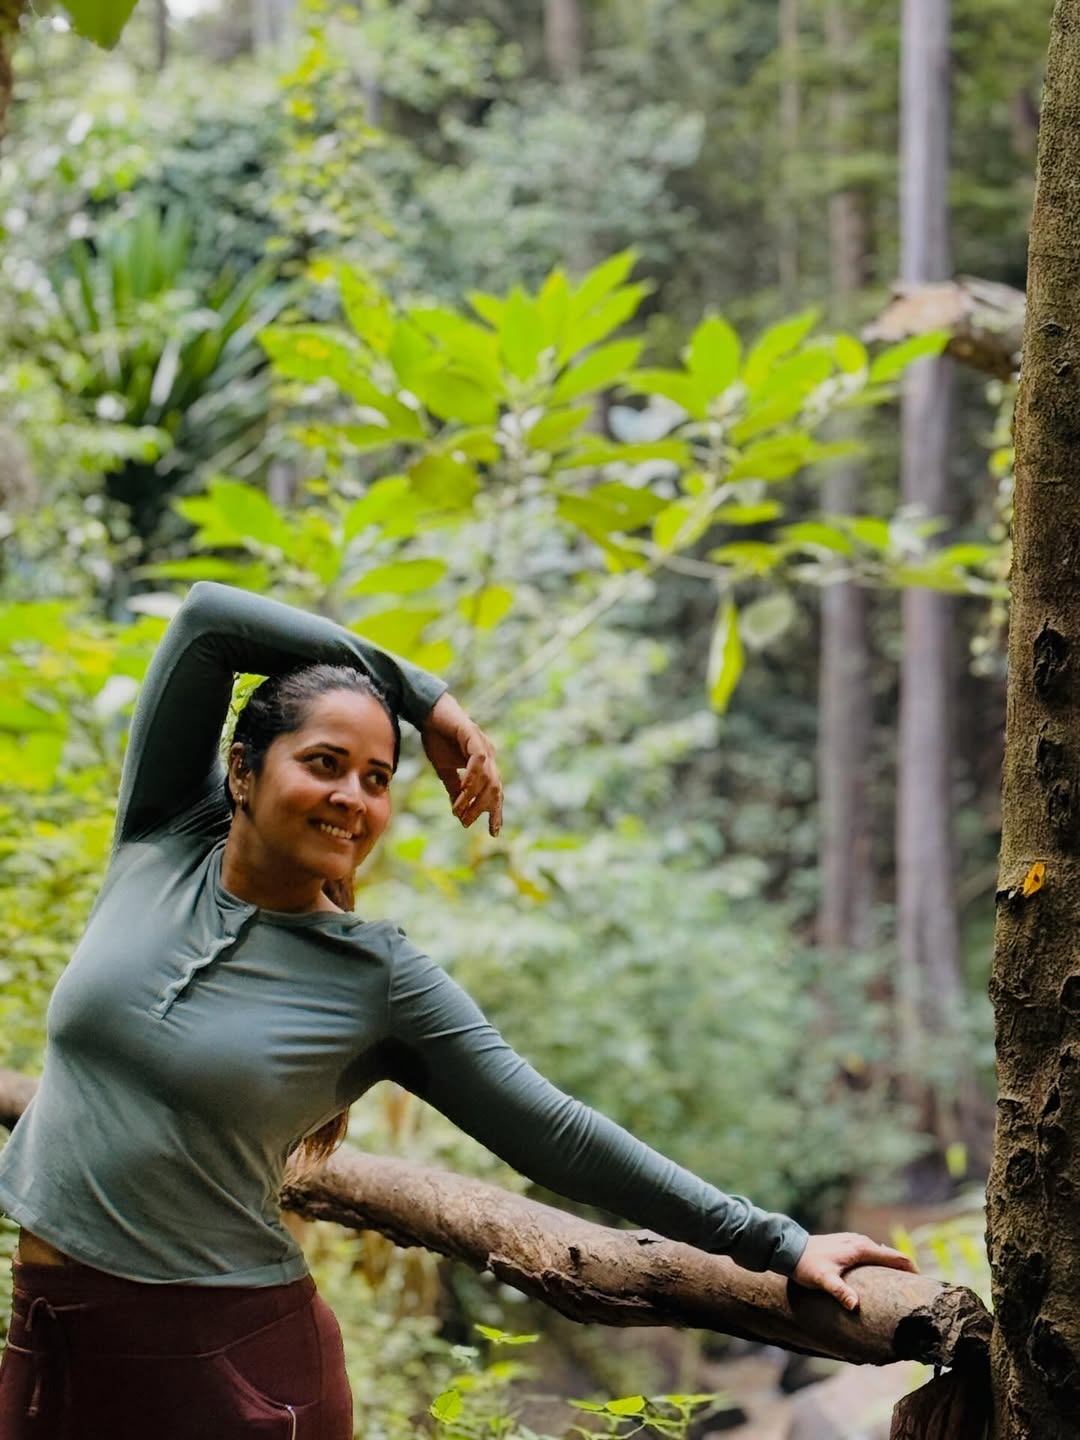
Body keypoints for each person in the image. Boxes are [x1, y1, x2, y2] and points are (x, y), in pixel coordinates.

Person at [0, 582, 912, 1439]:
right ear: (243, 770)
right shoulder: (162, 833)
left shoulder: (378, 978)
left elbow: (555, 1131)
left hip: (224, 1362)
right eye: (325, 764)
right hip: (48, 1332)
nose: (353, 798)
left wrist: (777, 1241)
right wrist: (425, 699)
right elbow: (208, 618)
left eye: (377, 778)